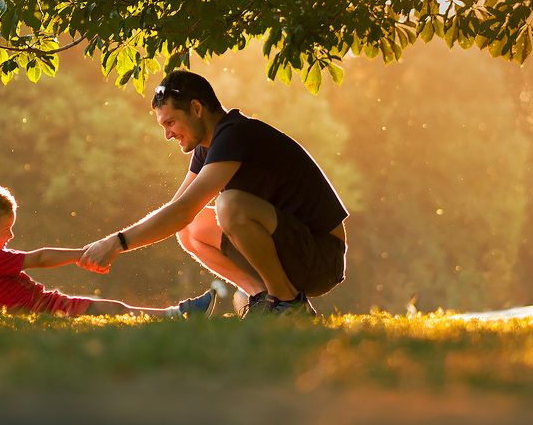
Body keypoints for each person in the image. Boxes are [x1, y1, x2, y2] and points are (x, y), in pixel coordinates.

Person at [78, 70, 348, 318]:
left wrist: (117, 243)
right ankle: (263, 299)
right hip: (291, 249)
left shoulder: (236, 133)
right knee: (189, 228)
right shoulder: (207, 147)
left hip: (323, 258)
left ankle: (289, 304)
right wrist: (106, 245)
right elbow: (177, 213)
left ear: (196, 108)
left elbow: (182, 209)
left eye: (170, 122)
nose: (167, 135)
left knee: (229, 204)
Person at [0, 181, 217, 318]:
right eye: (5, 230)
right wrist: (83, 254)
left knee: (115, 309)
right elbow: (41, 257)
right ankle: (178, 315)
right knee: (116, 311)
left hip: (50, 308)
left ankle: (177, 314)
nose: (10, 235)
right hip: (51, 313)